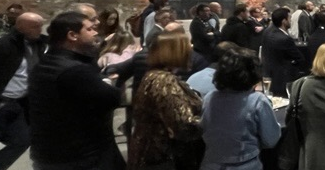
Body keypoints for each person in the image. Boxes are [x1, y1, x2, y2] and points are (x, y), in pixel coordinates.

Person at [29, 11, 124, 170]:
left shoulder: (45, 63)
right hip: (82, 156)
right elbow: (112, 98)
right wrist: (109, 83)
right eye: (89, 29)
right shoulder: (75, 70)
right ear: (72, 35)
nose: (95, 33)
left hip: (51, 153)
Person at [0, 12, 46, 170]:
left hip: (19, 103)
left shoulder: (38, 44)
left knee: (22, 140)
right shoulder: (2, 45)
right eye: (35, 27)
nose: (39, 30)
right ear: (21, 27)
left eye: (40, 26)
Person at [129, 26, 202, 169]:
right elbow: (183, 125)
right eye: (186, 48)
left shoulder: (152, 75)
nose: (190, 51)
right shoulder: (165, 81)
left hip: (145, 151)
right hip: (161, 156)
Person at [200, 47, 281, 170]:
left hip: (210, 163)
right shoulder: (258, 101)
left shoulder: (209, 98)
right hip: (246, 165)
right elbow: (271, 140)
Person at [260, 8, 305, 98]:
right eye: (290, 18)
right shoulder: (284, 39)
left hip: (268, 73)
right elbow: (299, 58)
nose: (291, 20)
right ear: (284, 21)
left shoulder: (267, 31)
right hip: (282, 77)